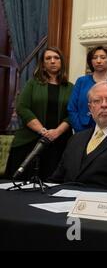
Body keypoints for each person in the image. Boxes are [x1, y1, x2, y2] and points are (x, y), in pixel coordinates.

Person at [5, 47, 73, 180]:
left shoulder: (70, 87)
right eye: (48, 58)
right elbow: (22, 107)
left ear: (61, 62)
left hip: (58, 143)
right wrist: (43, 131)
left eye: (56, 58)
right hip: (30, 141)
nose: (52, 61)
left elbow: (73, 113)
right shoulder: (33, 83)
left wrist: (56, 132)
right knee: (21, 186)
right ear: (43, 64)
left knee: (51, 185)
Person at [67, 46, 107, 132]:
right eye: (94, 58)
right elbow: (72, 109)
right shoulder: (81, 81)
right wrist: (80, 129)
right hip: (83, 129)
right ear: (90, 62)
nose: (98, 61)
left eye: (103, 57)